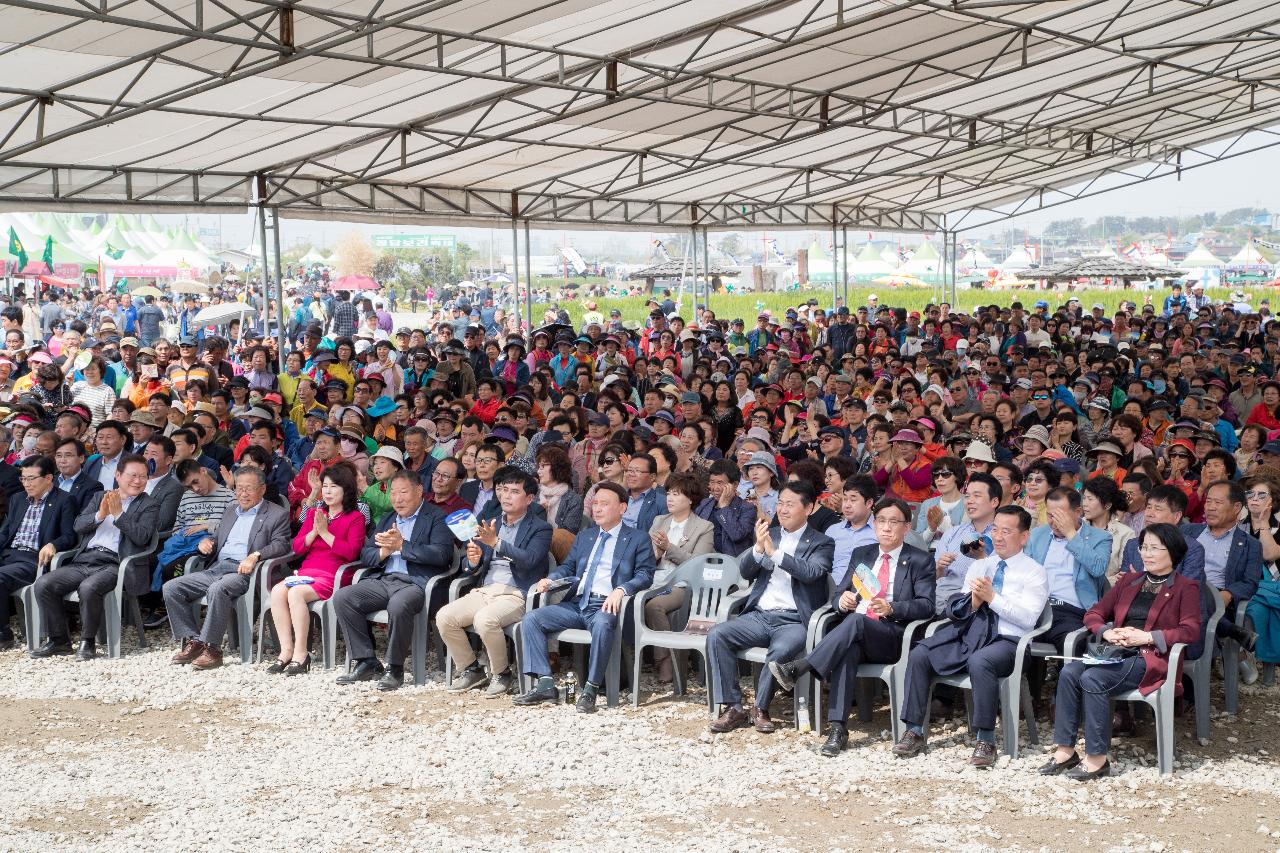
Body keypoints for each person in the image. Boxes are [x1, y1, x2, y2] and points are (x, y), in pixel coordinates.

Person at [769, 497, 935, 756]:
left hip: (894, 635)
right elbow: (840, 593)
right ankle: (838, 730)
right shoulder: (864, 554)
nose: (886, 528)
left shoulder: (919, 559)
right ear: (874, 523)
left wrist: (893, 608)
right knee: (847, 650)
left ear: (906, 527)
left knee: (856, 622)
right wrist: (841, 601)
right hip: (857, 633)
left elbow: (927, 606)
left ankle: (802, 666)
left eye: (894, 522)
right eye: (881, 521)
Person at [1042, 524, 1201, 780]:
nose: (1146, 554)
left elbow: (1190, 631)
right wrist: (1106, 631)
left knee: (1092, 678)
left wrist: (1147, 636)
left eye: (1154, 548)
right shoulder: (1129, 581)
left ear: (1172, 551)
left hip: (1149, 657)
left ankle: (1097, 758)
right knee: (1070, 673)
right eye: (1143, 547)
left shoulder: (1186, 587)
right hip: (1114, 651)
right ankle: (1065, 749)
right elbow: (1094, 613)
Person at [894, 505, 1048, 768]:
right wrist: (974, 602)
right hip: (971, 634)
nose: (998, 536)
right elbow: (960, 607)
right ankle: (914, 730)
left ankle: (986, 738)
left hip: (1007, 641)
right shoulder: (981, 566)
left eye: (1007, 531)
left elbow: (1027, 619)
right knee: (920, 654)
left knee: (981, 661)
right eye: (995, 529)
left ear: (1023, 537)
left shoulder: (1034, 571)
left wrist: (992, 598)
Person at [514, 482, 655, 713]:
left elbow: (645, 575)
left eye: (604, 504)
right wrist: (551, 579)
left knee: (602, 622)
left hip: (606, 605)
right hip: (578, 603)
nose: (597, 509)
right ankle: (545, 684)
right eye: (595, 503)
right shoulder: (586, 536)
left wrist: (621, 590)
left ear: (622, 508)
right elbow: (568, 567)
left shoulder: (638, 538)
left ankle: (591, 689)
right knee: (532, 619)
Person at [707, 481, 834, 734]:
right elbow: (745, 571)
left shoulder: (822, 542)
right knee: (717, 634)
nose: (783, 510)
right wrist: (757, 548)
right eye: (780, 504)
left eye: (790, 504)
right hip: (760, 615)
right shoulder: (771, 533)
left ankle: (761, 708)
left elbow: (811, 572)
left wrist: (774, 554)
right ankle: (734, 707)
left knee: (781, 650)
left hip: (794, 619)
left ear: (808, 508)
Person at [334, 469, 456, 692]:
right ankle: (366, 660)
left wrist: (402, 546)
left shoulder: (436, 517)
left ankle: (395, 667)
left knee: (398, 605)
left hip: (416, 583)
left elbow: (442, 555)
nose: (397, 499)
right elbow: (366, 554)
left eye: (403, 492)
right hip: (385, 579)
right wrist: (384, 553)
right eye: (393, 493)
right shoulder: (389, 518)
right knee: (344, 597)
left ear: (419, 491)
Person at [30, 454, 160, 660]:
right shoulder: (101, 496)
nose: (138, 481)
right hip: (87, 559)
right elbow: (78, 526)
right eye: (133, 475)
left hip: (116, 564)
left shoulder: (149, 504)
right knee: (44, 584)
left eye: (143, 476)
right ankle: (59, 641)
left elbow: (143, 537)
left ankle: (87, 641)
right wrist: (100, 515)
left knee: (88, 587)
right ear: (118, 475)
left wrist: (118, 515)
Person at [163, 467, 293, 669]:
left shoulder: (276, 514)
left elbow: (282, 545)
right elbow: (221, 538)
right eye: (239, 488)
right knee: (171, 588)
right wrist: (207, 542)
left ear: (262, 489)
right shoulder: (231, 511)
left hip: (245, 571)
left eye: (248, 489)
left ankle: (212, 649)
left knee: (218, 589)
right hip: (217, 568)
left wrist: (255, 555)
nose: (242, 494)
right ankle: (194, 641)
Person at [440, 467, 553, 697]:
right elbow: (475, 563)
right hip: (486, 589)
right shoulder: (493, 523)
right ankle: (471, 669)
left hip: (517, 593)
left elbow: (530, 561)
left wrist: (497, 543)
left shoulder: (541, 528)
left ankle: (502, 674)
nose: (506, 496)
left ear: (529, 498)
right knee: (444, 617)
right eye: (503, 491)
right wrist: (473, 561)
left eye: (514, 491)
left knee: (485, 620)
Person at [267, 462, 367, 675]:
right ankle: (286, 651)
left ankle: (301, 655)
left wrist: (325, 533)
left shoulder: (355, 517)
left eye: (334, 487)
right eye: (325, 486)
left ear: (346, 489)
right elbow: (296, 547)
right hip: (307, 572)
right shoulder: (314, 513)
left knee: (295, 594)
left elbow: (351, 553)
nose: (328, 492)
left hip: (335, 575)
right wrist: (314, 532)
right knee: (277, 591)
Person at [1023, 487, 1112, 704]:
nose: (1054, 521)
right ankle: (1027, 699)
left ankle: (1063, 701)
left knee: (1070, 641)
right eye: (1050, 514)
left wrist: (1072, 535)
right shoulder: (1038, 534)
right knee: (1013, 635)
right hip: (1037, 605)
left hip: (1071, 608)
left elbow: (1098, 568)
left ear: (1078, 511)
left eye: (1060, 514)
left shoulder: (1100, 538)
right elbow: (1024, 569)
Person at [643, 472, 716, 683]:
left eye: (676, 494)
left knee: (653, 606)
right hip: (654, 578)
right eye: (668, 493)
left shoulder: (704, 526)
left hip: (683, 585)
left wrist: (669, 548)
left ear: (690, 499)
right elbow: (645, 557)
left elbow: (697, 565)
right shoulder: (660, 521)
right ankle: (629, 662)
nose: (670, 498)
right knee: (625, 600)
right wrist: (655, 554)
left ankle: (665, 660)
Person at [0, 456, 77, 649]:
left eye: (32, 478)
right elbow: (7, 533)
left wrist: (53, 544)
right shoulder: (18, 499)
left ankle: (3, 633)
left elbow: (70, 536)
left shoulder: (64, 500)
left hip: (34, 560)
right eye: (23, 478)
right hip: (10, 555)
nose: (26, 483)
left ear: (49, 478)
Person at [1185, 480, 1263, 654]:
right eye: (1208, 501)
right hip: (1181, 590)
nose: (1210, 507)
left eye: (1217, 502)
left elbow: (1250, 582)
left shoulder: (1251, 544)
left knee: (1198, 602)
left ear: (1236, 507)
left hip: (1217, 598)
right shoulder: (1188, 532)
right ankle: (1230, 633)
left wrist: (1229, 594)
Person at [931, 472, 1002, 609]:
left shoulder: (1001, 537)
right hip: (940, 598)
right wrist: (940, 567)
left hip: (975, 603)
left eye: (977, 496)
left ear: (994, 501)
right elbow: (936, 578)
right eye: (967, 496)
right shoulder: (952, 533)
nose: (969, 501)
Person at [695, 459, 757, 558]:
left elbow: (736, 535)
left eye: (720, 483)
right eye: (712, 482)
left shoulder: (747, 509)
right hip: (703, 559)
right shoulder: (705, 504)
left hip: (731, 562)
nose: (715, 488)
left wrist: (724, 506)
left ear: (735, 485)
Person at [824, 474, 878, 586]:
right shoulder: (832, 531)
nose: (847, 505)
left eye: (853, 500)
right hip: (830, 592)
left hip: (865, 594)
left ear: (869, 503)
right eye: (844, 499)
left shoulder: (881, 532)